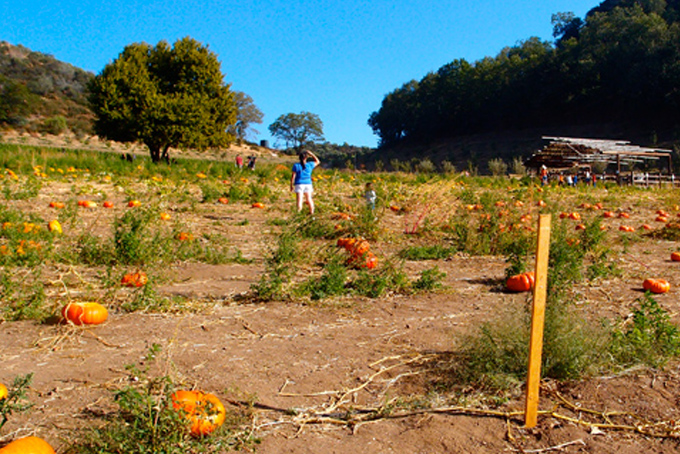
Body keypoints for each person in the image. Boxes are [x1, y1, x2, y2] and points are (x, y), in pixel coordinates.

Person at [290, 150, 320, 214]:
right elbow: (317, 161)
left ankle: (298, 213)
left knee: (299, 200)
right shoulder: (310, 165)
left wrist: (291, 185)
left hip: (299, 184)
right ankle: (312, 213)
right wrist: (311, 154)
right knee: (309, 199)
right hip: (308, 183)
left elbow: (293, 176)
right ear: (306, 158)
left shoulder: (296, 165)